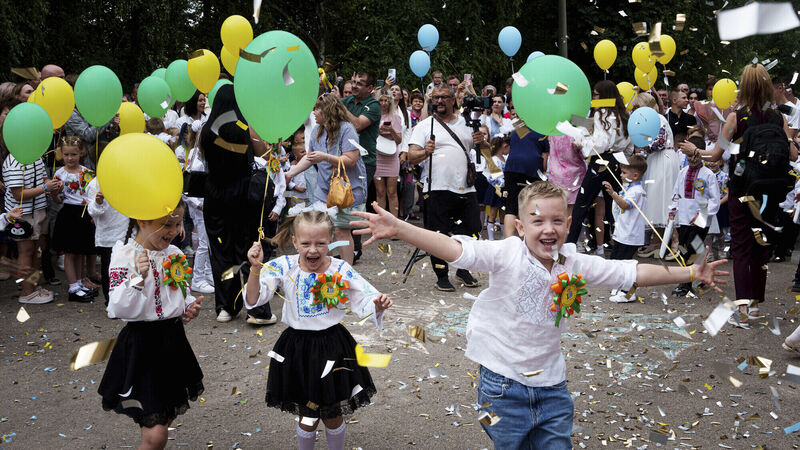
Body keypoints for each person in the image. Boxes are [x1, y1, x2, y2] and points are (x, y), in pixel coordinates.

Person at [351, 181, 728, 450]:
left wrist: (691, 273)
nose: (549, 229)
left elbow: (630, 272)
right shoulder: (507, 253)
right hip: (500, 388)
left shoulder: (574, 262)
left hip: (552, 388)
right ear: (520, 226)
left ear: (568, 224)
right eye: (537, 221)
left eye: (557, 221)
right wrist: (400, 228)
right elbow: (455, 250)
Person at [244, 208, 391, 450]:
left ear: (331, 240)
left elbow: (364, 297)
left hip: (333, 347)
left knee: (333, 413)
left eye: (320, 243)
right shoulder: (284, 266)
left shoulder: (340, 269)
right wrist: (255, 268)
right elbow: (254, 299)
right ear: (294, 241)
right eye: (306, 243)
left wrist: (377, 304)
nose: (313, 250)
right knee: (307, 415)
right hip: (297, 349)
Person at [689, 62, 796, 323]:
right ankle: (756, 305)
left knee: (741, 247)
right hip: (769, 191)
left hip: (742, 189)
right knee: (761, 246)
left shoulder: (735, 119)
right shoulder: (779, 118)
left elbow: (716, 154)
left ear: (744, 87)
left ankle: (744, 308)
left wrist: (694, 151)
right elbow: (793, 154)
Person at [98, 199, 204, 450]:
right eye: (165, 224)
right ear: (142, 221)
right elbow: (117, 308)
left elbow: (179, 293)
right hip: (142, 347)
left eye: (177, 224)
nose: (173, 231)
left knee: (165, 417)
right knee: (155, 435)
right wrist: (137, 278)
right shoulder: (125, 255)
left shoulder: (175, 254)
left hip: (172, 343)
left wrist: (188, 307)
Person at [407, 85, 487, 291]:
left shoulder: (466, 123)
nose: (440, 101)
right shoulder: (425, 126)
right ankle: (441, 276)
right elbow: (411, 156)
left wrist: (483, 141)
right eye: (436, 98)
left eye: (444, 97)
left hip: (466, 188)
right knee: (438, 234)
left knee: (471, 231)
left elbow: (487, 150)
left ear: (453, 100)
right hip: (437, 187)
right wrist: (425, 152)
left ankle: (463, 269)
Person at [199, 84, 262, 323]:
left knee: (220, 252)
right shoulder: (244, 126)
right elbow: (261, 151)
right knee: (246, 248)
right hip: (242, 193)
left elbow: (204, 157)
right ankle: (254, 306)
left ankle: (226, 306)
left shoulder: (207, 130)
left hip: (215, 193)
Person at [286, 93, 367, 265]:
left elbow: (351, 160)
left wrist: (325, 157)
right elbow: (309, 158)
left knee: (341, 230)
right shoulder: (317, 130)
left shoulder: (347, 129)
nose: (314, 112)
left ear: (328, 110)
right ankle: (324, 268)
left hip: (344, 190)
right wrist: (290, 174)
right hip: (323, 190)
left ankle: (346, 269)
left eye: (317, 109)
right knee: (323, 230)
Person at [566, 80, 631, 251]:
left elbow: (601, 143)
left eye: (595, 94)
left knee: (582, 204)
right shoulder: (624, 115)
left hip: (601, 161)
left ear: (603, 96)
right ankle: (620, 245)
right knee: (614, 205)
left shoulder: (602, 112)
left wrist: (583, 144)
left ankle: (569, 245)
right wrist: (575, 119)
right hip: (618, 162)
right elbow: (629, 145)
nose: (593, 98)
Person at [2, 149, 62, 304]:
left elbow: (43, 178)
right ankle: (27, 292)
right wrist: (45, 188)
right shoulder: (14, 162)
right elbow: (18, 194)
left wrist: (54, 184)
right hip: (22, 214)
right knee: (26, 251)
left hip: (38, 210)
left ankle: (32, 286)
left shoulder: (35, 156)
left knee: (37, 249)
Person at [668, 137, 720, 297]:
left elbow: (715, 200)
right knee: (688, 247)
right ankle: (702, 275)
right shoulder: (682, 173)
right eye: (689, 156)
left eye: (695, 156)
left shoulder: (708, 175)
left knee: (691, 250)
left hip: (701, 220)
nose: (692, 159)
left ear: (702, 154)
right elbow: (676, 194)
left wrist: (702, 214)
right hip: (684, 218)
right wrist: (672, 211)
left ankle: (685, 284)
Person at [632, 93, 682, 258]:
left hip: (663, 160)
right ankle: (657, 240)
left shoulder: (658, 119)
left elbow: (660, 143)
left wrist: (642, 148)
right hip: (656, 160)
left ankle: (675, 240)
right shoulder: (651, 121)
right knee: (656, 199)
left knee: (665, 199)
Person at [51, 136, 98, 302]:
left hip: (84, 213)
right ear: (61, 154)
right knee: (70, 253)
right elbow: (58, 200)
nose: (70, 158)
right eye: (66, 155)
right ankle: (73, 287)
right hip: (68, 214)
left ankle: (79, 283)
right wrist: (54, 193)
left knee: (80, 252)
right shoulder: (59, 174)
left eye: (73, 154)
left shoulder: (87, 173)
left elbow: (91, 195)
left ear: (81, 153)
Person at [343, 72, 380, 262]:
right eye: (354, 82)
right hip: (346, 158)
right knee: (343, 202)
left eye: (360, 83)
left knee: (356, 203)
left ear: (370, 88)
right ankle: (346, 246)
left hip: (365, 162)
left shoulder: (374, 105)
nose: (355, 86)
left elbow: (357, 124)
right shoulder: (347, 101)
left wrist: (338, 106)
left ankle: (356, 248)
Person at [604, 155, 648, 302]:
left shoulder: (637, 191)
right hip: (623, 233)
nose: (621, 175)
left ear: (635, 175)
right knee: (616, 261)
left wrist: (613, 194)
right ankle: (621, 286)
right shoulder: (629, 188)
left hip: (630, 235)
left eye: (624, 173)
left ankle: (628, 293)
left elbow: (625, 205)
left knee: (626, 265)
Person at [86, 176, 128, 305]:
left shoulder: (128, 177)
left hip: (129, 231)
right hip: (109, 236)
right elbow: (91, 211)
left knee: (128, 270)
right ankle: (110, 303)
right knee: (110, 270)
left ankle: (127, 302)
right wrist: (98, 202)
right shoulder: (95, 184)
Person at [374, 94, 402, 217]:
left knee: (392, 192)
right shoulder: (374, 116)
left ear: (390, 102)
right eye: (381, 100)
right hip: (377, 156)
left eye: (386, 100)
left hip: (391, 157)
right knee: (380, 192)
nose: (384, 103)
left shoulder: (395, 117)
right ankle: (381, 221)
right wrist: (378, 130)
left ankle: (394, 222)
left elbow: (399, 140)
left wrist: (391, 130)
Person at [547, 134, 586, 217]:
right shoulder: (575, 133)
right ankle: (569, 225)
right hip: (574, 175)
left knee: (557, 207)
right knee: (572, 209)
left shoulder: (554, 134)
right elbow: (584, 155)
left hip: (556, 174)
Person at [484, 136, 509, 240]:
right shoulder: (493, 159)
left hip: (504, 189)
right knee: (493, 214)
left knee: (503, 213)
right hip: (496, 189)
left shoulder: (504, 159)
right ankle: (491, 238)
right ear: (504, 146)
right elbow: (491, 177)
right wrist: (501, 183)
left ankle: (504, 237)